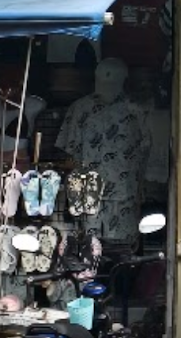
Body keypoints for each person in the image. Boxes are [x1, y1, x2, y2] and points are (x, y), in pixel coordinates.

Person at [56, 59, 151, 240]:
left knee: (123, 249)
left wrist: (141, 188)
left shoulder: (136, 111)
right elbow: (70, 154)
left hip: (125, 193)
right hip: (90, 193)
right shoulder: (80, 109)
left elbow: (146, 152)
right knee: (90, 249)